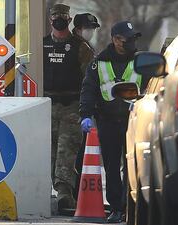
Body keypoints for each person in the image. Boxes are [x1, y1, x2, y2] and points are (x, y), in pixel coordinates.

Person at [79, 21, 149, 223]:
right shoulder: (98, 62)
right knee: (111, 167)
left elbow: (150, 86)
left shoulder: (140, 61)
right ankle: (116, 209)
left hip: (133, 121)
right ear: (116, 40)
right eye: (127, 39)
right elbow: (89, 89)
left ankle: (130, 207)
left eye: (134, 38)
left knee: (131, 166)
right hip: (107, 121)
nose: (131, 42)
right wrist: (86, 114)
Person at [43, 4, 94, 212]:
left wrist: (87, 108)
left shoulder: (80, 47)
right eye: (55, 16)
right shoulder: (42, 46)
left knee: (67, 151)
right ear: (50, 20)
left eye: (63, 17)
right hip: (47, 105)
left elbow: (89, 79)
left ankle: (65, 193)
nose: (59, 20)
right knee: (49, 152)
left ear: (69, 20)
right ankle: (47, 191)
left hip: (71, 106)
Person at [71, 12, 100, 201]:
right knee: (76, 151)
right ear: (79, 29)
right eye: (88, 29)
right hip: (77, 104)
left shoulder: (84, 46)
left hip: (76, 103)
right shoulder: (82, 47)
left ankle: (74, 193)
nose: (90, 32)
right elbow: (89, 78)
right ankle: (75, 193)